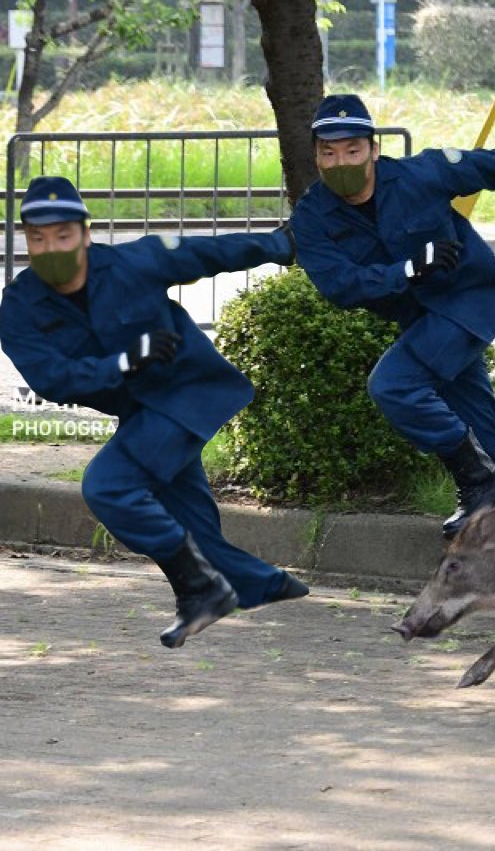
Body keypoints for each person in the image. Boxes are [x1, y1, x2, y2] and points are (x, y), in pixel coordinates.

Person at [0, 176, 307, 648]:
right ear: (26, 238)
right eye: (38, 238)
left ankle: (201, 588)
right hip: (142, 410)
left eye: (62, 235)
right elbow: (51, 378)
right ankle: (259, 583)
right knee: (185, 510)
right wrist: (122, 363)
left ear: (84, 233)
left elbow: (207, 252)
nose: (50, 248)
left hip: (189, 392)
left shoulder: (131, 262)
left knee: (109, 485)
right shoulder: (20, 306)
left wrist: (282, 244)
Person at [289, 94, 495, 538]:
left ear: (374, 150)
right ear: (316, 155)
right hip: (423, 321)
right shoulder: (313, 216)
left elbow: (486, 166)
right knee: (482, 437)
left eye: (352, 150)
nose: (341, 161)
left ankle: (479, 482)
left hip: (469, 302)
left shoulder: (419, 174)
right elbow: (340, 285)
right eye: (328, 152)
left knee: (393, 385)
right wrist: (408, 269)